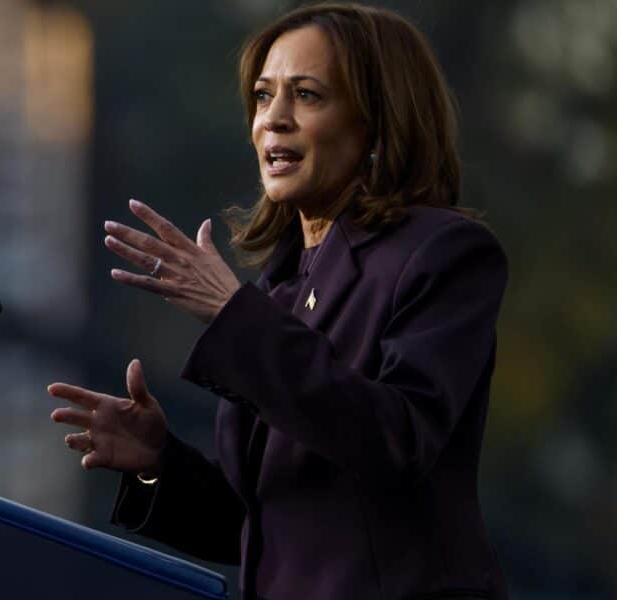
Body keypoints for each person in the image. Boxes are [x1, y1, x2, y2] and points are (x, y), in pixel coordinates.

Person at [46, 3, 508, 599]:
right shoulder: (280, 290)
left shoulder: (442, 253)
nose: (274, 121)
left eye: (308, 95)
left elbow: (396, 441)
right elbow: (270, 530)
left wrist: (233, 316)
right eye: (264, 97)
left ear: (377, 123)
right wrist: (156, 460)